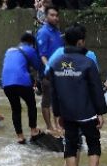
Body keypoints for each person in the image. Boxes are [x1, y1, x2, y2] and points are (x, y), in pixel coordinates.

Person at [48, 24, 107, 166]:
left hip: (68, 113)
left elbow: (54, 92)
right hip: (87, 112)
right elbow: (96, 89)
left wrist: (58, 113)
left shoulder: (56, 63)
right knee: (94, 144)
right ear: (80, 41)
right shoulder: (88, 62)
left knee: (71, 146)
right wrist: (100, 112)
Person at [2, 33, 43, 144]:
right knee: (31, 105)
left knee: (16, 109)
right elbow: (38, 65)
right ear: (31, 43)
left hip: (6, 83)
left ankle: (20, 137)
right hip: (21, 81)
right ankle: (34, 131)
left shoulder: (9, 50)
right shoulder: (29, 49)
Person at [36, 6, 64, 136]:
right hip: (47, 73)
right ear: (46, 17)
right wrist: (48, 69)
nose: (55, 18)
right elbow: (42, 55)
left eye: (56, 15)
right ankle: (49, 126)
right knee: (47, 99)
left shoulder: (57, 32)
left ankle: (58, 125)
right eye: (52, 15)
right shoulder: (43, 32)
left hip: (60, 71)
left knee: (58, 100)